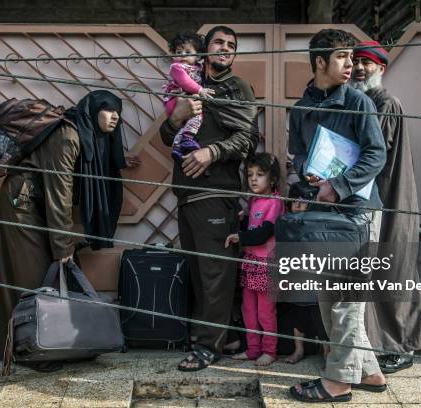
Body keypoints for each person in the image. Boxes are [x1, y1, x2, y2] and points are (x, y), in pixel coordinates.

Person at [0, 90, 139, 371]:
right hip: (23, 204)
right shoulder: (68, 136)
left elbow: (84, 171)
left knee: (34, 275)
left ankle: (26, 343)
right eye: (107, 109)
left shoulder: (84, 134)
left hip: (35, 203)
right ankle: (26, 347)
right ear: (92, 111)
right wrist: (63, 247)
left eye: (118, 110)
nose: (115, 115)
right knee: (29, 276)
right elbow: (60, 194)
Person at [287, 29, 387, 403]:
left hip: (358, 213)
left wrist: (339, 185)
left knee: (345, 300)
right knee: (331, 299)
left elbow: (376, 155)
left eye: (352, 57)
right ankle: (370, 374)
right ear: (319, 62)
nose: (352, 65)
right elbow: (297, 154)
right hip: (322, 213)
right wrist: (309, 172)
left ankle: (338, 383)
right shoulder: (300, 109)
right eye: (343, 57)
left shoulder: (360, 102)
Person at [158, 25, 259, 372]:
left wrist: (212, 152)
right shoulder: (189, 84)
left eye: (232, 45)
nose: (225, 48)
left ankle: (206, 347)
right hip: (186, 192)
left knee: (215, 272)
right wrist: (177, 117)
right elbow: (165, 135)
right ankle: (225, 337)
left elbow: (248, 139)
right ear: (205, 49)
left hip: (217, 191)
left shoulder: (237, 88)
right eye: (219, 42)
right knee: (200, 273)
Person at [350, 40, 421, 373]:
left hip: (392, 198)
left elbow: (370, 151)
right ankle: (382, 345)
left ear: (382, 68)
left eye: (368, 63)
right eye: (357, 63)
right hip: (374, 198)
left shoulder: (384, 103)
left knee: (394, 271)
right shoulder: (364, 101)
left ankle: (402, 348)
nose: (361, 69)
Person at [225, 153, 284, 367]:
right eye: (250, 174)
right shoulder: (254, 200)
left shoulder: (275, 203)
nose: (253, 179)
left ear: (273, 179)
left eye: (260, 174)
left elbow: (262, 234)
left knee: (265, 312)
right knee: (248, 310)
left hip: (266, 265)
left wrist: (239, 236)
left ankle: (270, 351)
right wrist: (243, 220)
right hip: (250, 262)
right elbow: (252, 228)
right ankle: (252, 349)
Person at [277, 183, 327, 365]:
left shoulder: (317, 221)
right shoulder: (286, 221)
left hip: (314, 279)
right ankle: (298, 350)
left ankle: (326, 351)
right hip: (295, 277)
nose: (298, 204)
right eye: (295, 200)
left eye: (304, 200)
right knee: (297, 316)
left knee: (320, 317)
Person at [162, 32, 216, 161]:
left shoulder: (199, 67)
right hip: (175, 100)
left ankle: (177, 147)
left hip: (185, 98)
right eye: (179, 52)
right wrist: (200, 90)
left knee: (191, 118)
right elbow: (185, 82)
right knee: (197, 113)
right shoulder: (177, 67)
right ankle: (186, 138)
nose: (182, 56)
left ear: (198, 56)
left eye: (187, 52)